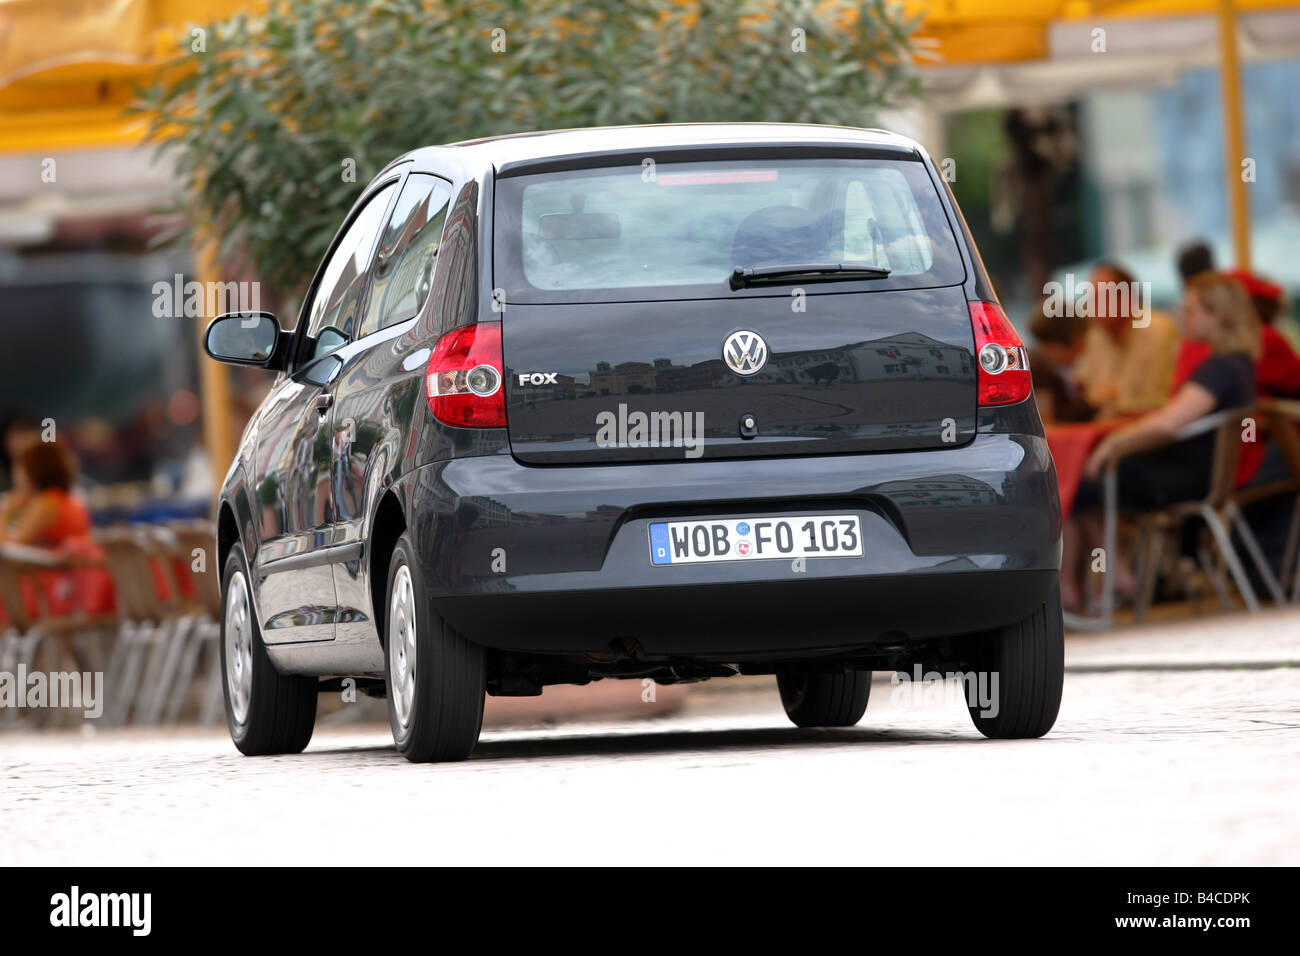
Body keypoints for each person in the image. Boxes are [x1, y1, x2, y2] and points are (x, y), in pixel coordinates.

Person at [1059, 272, 1260, 611]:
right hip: (1202, 475)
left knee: (1074, 485)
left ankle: (1079, 589)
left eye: (1192, 310)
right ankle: (1114, 575)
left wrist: (1114, 444)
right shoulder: (1238, 365)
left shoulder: (1220, 367)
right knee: (1081, 484)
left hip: (1186, 479)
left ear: (1218, 315)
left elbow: (1168, 423)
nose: (1183, 315)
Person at [0, 440, 114, 618]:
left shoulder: (46, 502)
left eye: (19, 468)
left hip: (51, 590)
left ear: (34, 469)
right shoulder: (67, 500)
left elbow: (9, 550)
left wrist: (5, 513)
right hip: (71, 585)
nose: (15, 476)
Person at [1073, 261, 1181, 418]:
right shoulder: (1093, 335)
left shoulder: (1159, 331)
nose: (1091, 306)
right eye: (1090, 299)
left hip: (1147, 433)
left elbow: (1159, 402)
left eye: (1100, 298)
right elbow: (1083, 392)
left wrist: (1105, 402)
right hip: (1103, 431)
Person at [1028, 308, 1095, 424]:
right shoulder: (1036, 371)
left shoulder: (1044, 365)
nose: (1084, 348)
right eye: (1082, 340)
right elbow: (1049, 420)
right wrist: (1091, 400)